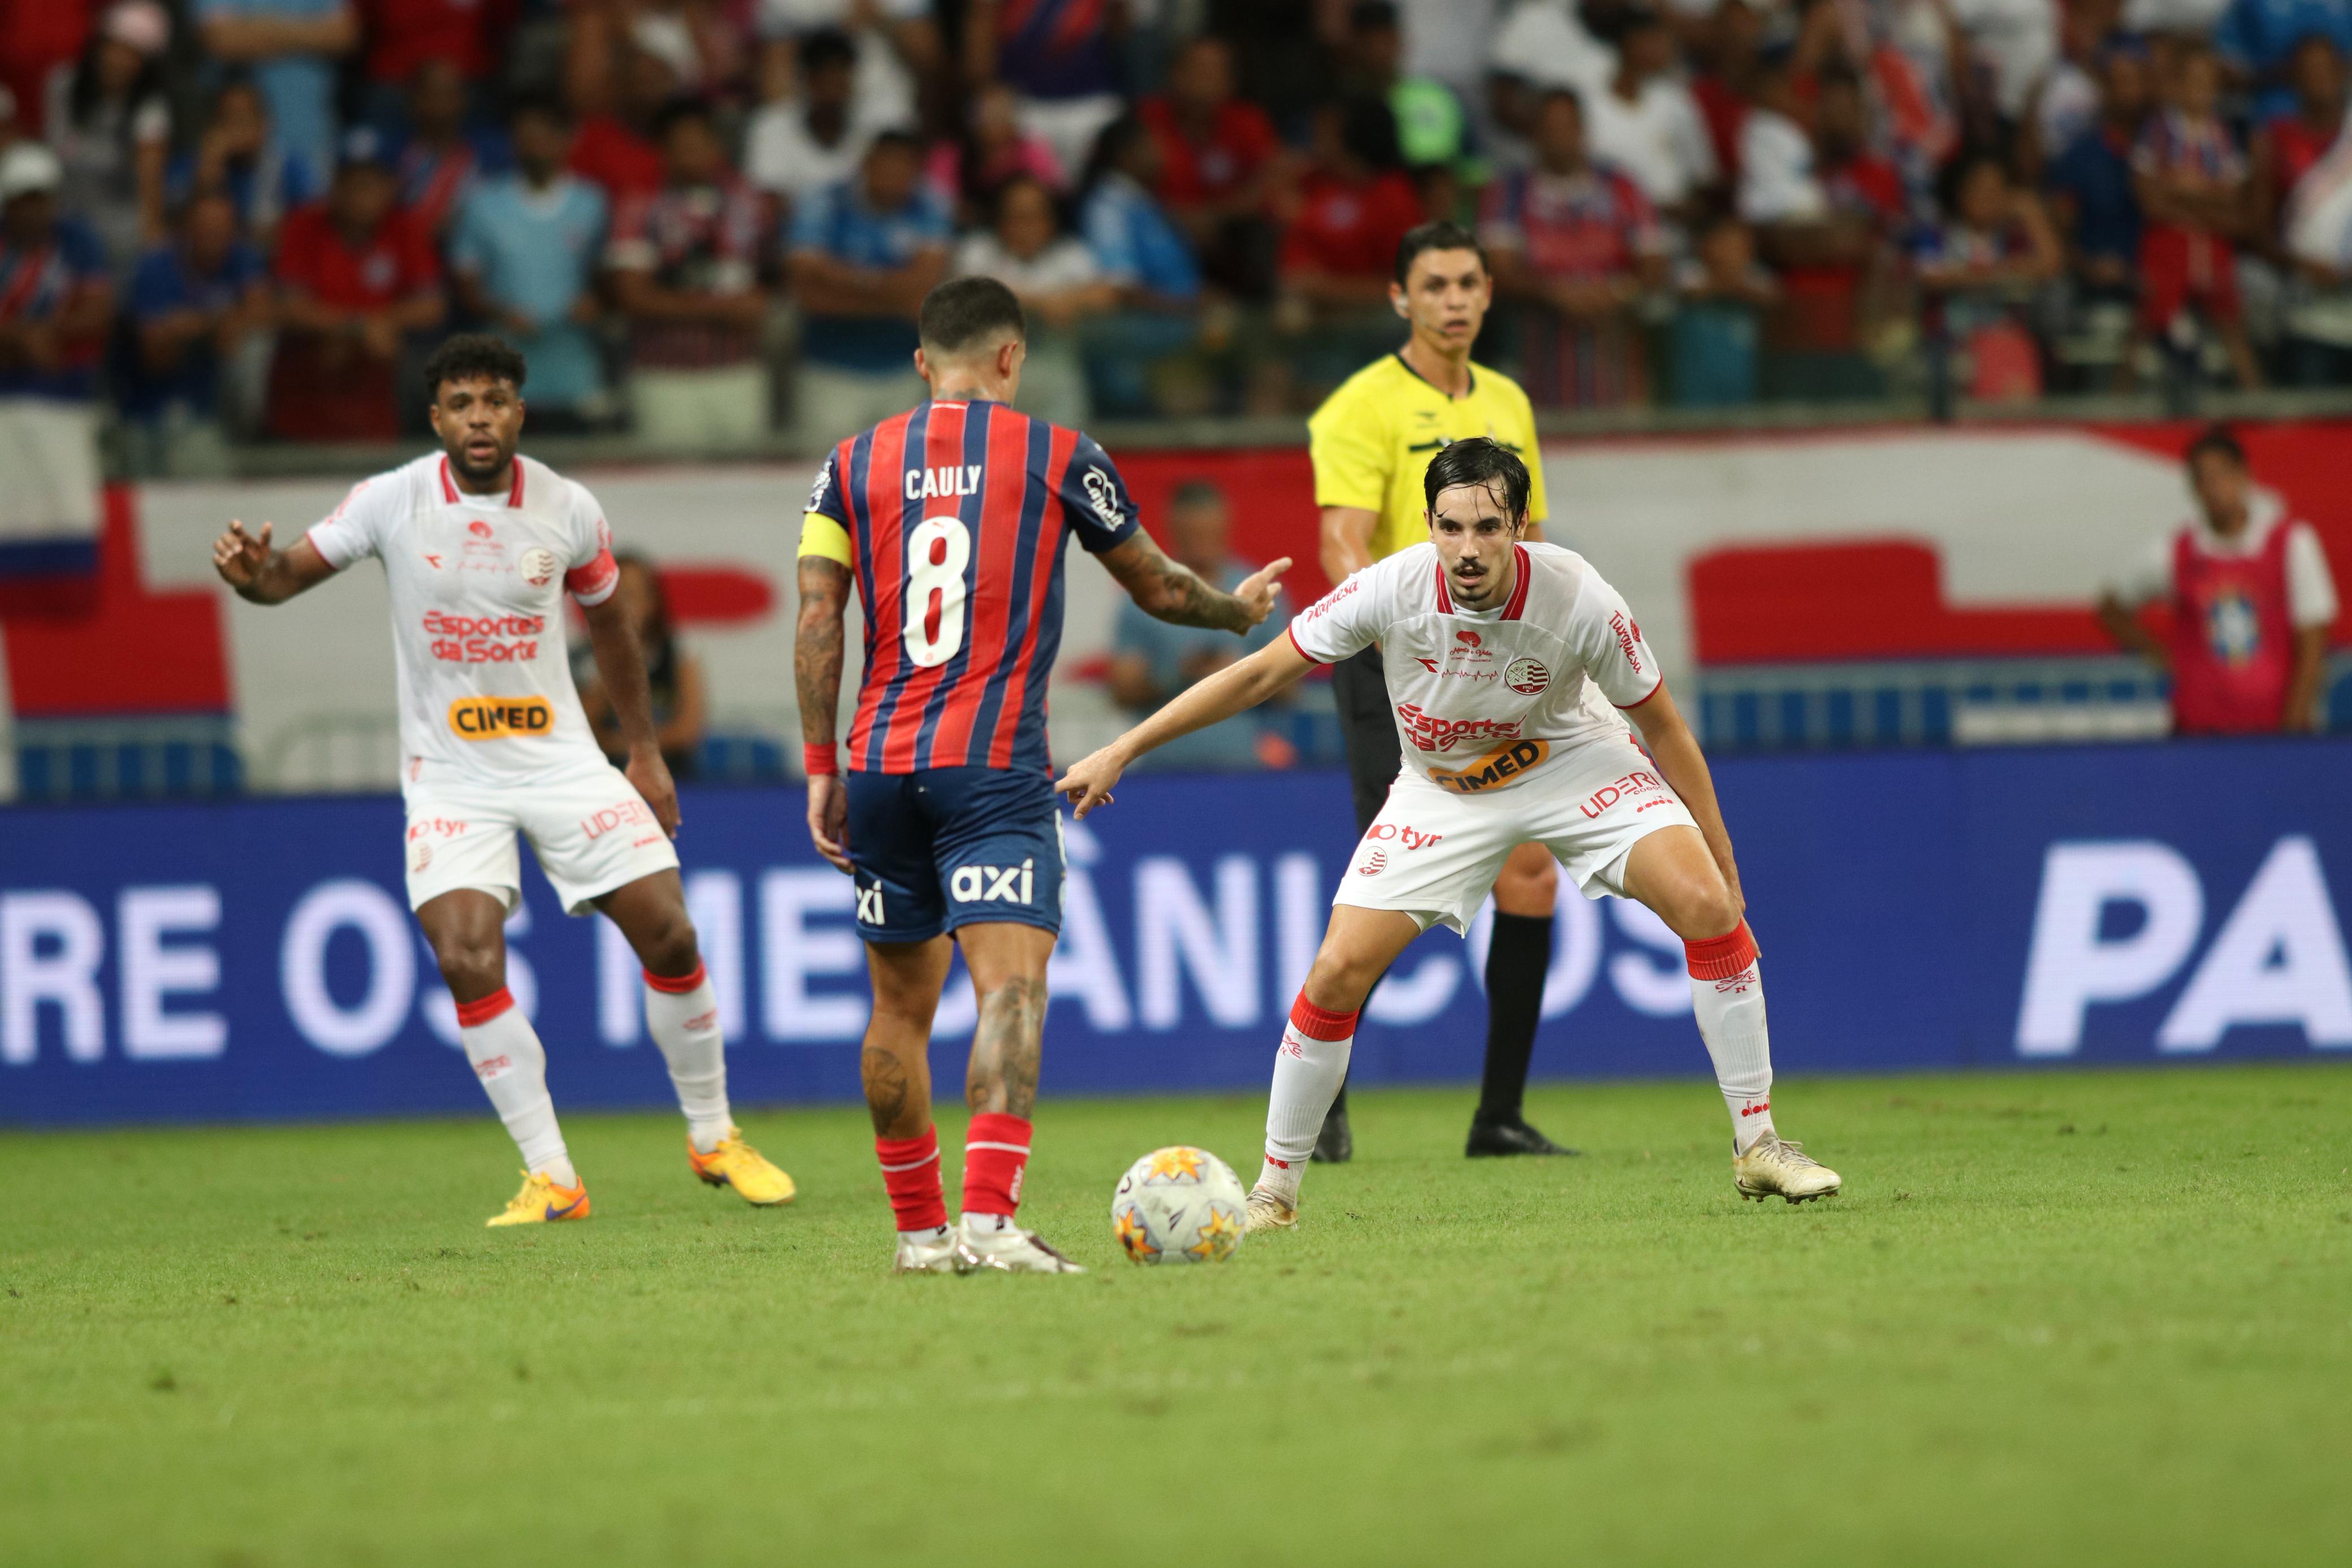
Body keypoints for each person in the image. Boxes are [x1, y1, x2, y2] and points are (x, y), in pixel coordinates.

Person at [1056, 438, 1844, 1229]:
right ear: (1430, 524)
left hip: (1572, 758)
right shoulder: (1388, 588)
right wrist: (1122, 748)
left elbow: (1666, 728)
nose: (1468, 550)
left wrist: (1723, 852)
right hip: (1443, 790)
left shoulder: (1578, 595)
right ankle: (1274, 1194)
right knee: (1335, 973)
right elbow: (1259, 673)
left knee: (1709, 906)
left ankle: (1760, 1145)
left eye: (1488, 528)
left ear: (1520, 526)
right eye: (1451, 526)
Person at [207, 333, 794, 1225]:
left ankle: (714, 1135)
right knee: (464, 954)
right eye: (462, 403)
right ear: (437, 416)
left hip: (564, 760)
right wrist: (254, 578)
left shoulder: (568, 507)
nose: (480, 418)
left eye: (496, 400)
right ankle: (553, 1175)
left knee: (670, 932)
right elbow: (285, 576)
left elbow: (613, 631)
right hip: (451, 776)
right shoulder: (391, 500)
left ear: (520, 410)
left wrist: (642, 751)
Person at [793, 276, 1290, 1275]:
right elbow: (1155, 583)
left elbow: (817, 620)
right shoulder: (1061, 453)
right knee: (1010, 989)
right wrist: (1239, 614)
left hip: (881, 761)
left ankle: (921, 1236)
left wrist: (820, 763)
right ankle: (989, 1220)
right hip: (992, 764)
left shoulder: (845, 466)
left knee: (897, 1009)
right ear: (1014, 358)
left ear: (923, 363)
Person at [1301, 219, 1567, 1163]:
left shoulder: (1508, 402)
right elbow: (1344, 540)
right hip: (1396, 669)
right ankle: (1319, 1099)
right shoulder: (1358, 406)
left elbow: (1529, 540)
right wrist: (1396, 627)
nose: (1453, 299)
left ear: (1490, 293)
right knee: (1391, 878)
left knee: (1530, 872)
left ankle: (1498, 1114)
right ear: (1399, 297)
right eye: (1435, 284)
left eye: (1468, 282)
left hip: (1497, 669)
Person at [2098, 425, 2339, 735]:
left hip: (2274, 728)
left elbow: (2313, 645)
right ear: (2193, 488)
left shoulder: (2292, 543)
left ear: (2244, 476)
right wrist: (2158, 654)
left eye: (2223, 475)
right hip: (2198, 730)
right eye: (2203, 479)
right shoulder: (2175, 552)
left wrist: (2292, 730)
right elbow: (2111, 608)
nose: (2215, 488)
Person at [1482, 88, 1668, 409]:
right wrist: (1554, 294)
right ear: (1535, 134)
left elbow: (1655, 261)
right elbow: (1498, 270)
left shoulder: (1621, 186)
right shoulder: (1509, 194)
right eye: (1550, 129)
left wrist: (1618, 291)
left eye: (1568, 127)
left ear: (1583, 130)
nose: (1560, 139)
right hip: (1536, 366)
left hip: (1616, 363)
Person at [606, 98, 770, 450]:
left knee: (747, 488)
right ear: (663, 152)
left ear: (717, 147)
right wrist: (722, 309)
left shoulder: (748, 206)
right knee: (667, 489)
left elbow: (765, 291)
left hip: (737, 371)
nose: (691, 155)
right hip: (665, 376)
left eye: (699, 145)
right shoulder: (639, 208)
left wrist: (679, 304)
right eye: (680, 148)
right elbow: (633, 297)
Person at [269, 127, 444, 441]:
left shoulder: (405, 228)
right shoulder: (304, 225)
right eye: (350, 182)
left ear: (391, 186)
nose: (358, 193)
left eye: (370, 183)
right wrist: (360, 327)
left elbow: (431, 306)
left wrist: (378, 324)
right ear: (334, 185)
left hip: (378, 403)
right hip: (305, 397)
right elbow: (289, 307)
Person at [1106, 479, 1292, 769]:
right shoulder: (1142, 598)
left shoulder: (1259, 591)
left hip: (1244, 767)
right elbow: (1122, 690)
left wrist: (1241, 671)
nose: (1201, 544)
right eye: (1192, 535)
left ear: (1225, 526)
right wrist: (1176, 675)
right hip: (1164, 768)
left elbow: (1291, 688)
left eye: (1208, 533)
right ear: (1173, 531)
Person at [785, 129, 952, 449]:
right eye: (885, 165)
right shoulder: (824, 203)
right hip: (830, 371)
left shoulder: (930, 206)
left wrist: (842, 283)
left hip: (905, 372)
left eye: (904, 168)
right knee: (827, 481)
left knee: (903, 485)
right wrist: (891, 294)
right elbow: (808, 293)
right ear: (866, 165)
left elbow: (925, 289)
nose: (893, 176)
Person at [449, 96, 611, 426]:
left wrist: (595, 302)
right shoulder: (483, 205)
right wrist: (501, 311)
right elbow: (466, 284)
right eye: (525, 137)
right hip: (504, 372)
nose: (534, 146)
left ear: (566, 139)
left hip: (575, 367)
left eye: (543, 135)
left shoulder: (593, 203)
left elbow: (607, 279)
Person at [2132, 42, 2262, 388]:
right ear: (2175, 86)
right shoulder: (2157, 131)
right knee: (2147, 316)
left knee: (2230, 320)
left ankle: (2257, 398)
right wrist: (2207, 195)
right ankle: (2119, 398)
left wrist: (2181, 190)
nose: (2200, 91)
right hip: (2166, 242)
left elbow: (2234, 203)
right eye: (2191, 82)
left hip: (2211, 242)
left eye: (2208, 83)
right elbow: (2149, 200)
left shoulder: (2224, 134)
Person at [43, 0, 172, 276]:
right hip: (62, 229)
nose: (118, 61)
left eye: (133, 54)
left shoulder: (150, 111)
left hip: (118, 241)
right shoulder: (60, 86)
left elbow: (150, 184)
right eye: (114, 47)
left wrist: (153, 241)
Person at [196, 0, 358, 177]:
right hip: (237, 139)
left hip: (311, 132)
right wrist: (310, 30)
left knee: (312, 201)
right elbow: (222, 39)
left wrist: (263, 28)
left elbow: (344, 35)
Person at [583, 553, 705, 777]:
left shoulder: (680, 654)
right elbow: (580, 729)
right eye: (615, 596)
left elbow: (687, 731)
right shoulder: (583, 656)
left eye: (631, 596)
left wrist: (633, 747)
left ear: (652, 602)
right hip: (604, 776)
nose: (623, 607)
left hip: (674, 775)